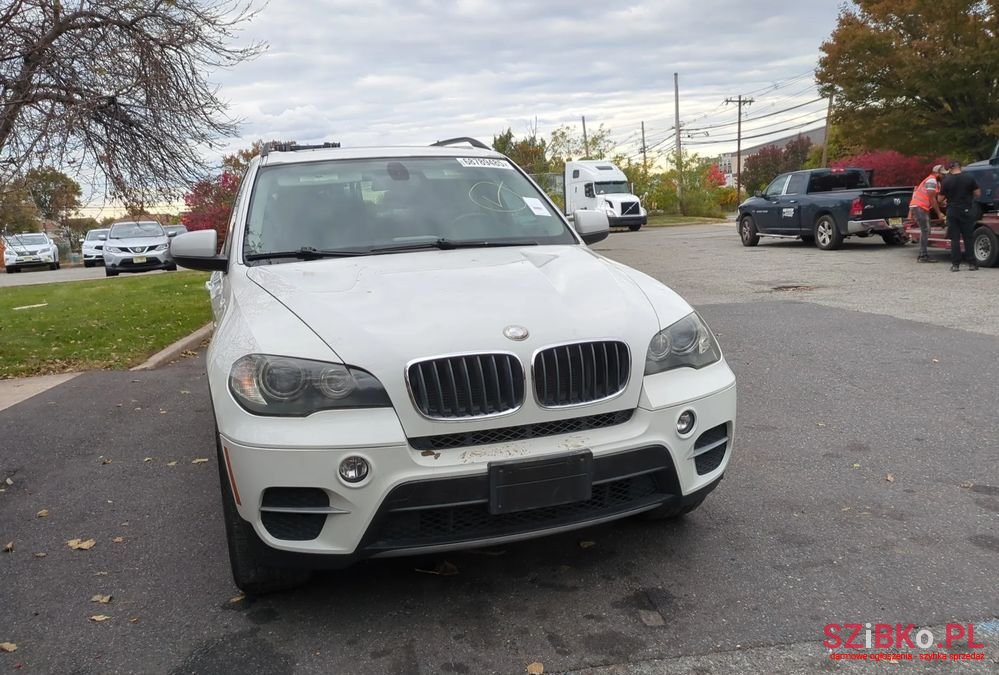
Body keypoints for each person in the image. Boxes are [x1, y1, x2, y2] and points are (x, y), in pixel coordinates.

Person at [940, 160, 981, 271]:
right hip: (966, 210)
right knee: (968, 238)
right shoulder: (969, 178)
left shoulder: (946, 180)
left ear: (951, 168)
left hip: (952, 211)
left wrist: (945, 200)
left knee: (955, 239)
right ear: (960, 167)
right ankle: (972, 264)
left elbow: (940, 199)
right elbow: (977, 193)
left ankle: (955, 265)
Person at [908, 164, 947, 262]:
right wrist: (939, 213)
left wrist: (943, 203)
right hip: (919, 207)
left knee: (926, 230)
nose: (943, 176)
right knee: (925, 230)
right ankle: (923, 256)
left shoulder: (935, 182)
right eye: (942, 174)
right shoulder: (932, 181)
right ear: (937, 173)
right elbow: (932, 198)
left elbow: (936, 199)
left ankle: (923, 254)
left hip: (920, 207)